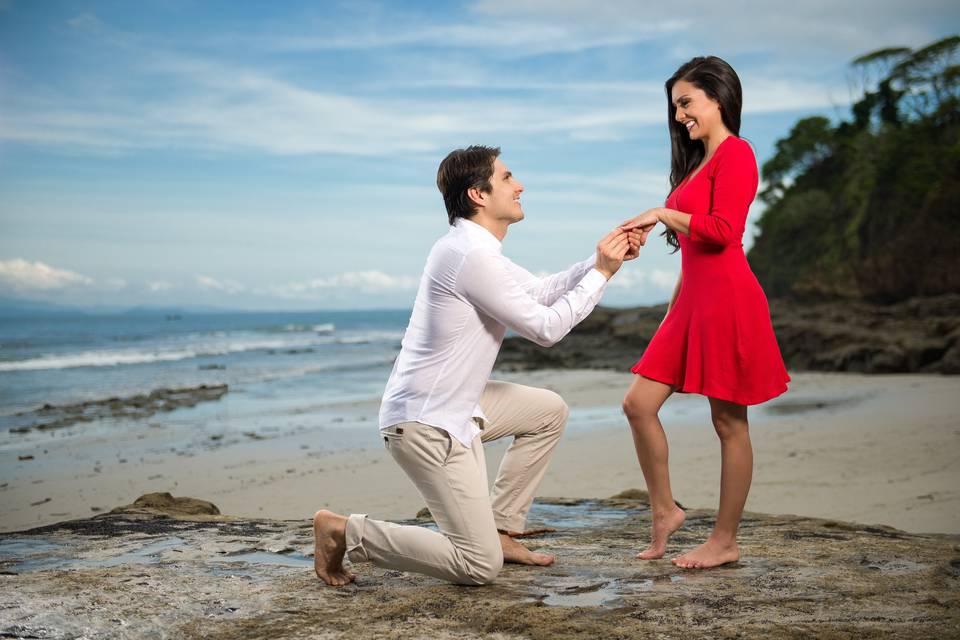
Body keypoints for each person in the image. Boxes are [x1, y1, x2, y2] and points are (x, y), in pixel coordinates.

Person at [313, 145, 643, 586]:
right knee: (477, 566)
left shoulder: (475, 251)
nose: (519, 185)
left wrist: (603, 258)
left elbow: (542, 291)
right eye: (507, 178)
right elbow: (545, 328)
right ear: (478, 195)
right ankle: (342, 530)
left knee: (548, 411)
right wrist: (601, 273)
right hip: (425, 423)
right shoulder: (469, 256)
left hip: (458, 406)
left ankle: (502, 528)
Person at [619, 56, 790, 569]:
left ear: (718, 98)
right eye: (675, 107)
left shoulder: (738, 154)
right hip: (693, 303)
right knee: (638, 404)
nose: (679, 116)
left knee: (729, 423)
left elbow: (722, 232)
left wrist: (661, 213)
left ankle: (724, 540)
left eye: (686, 103)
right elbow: (695, 253)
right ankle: (665, 510)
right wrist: (671, 311)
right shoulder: (699, 163)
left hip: (730, 302)